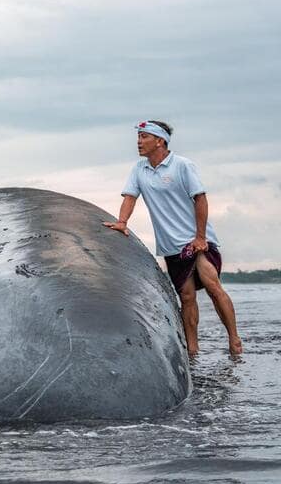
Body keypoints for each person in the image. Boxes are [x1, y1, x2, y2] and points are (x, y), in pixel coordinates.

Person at [103, 120, 243, 357]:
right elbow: (130, 197)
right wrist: (122, 223)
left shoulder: (182, 165)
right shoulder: (139, 169)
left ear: (160, 141)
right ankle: (193, 351)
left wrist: (200, 237)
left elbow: (200, 198)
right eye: (138, 137)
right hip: (170, 246)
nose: (139, 142)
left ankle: (235, 342)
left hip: (195, 241)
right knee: (186, 298)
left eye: (144, 137)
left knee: (212, 286)